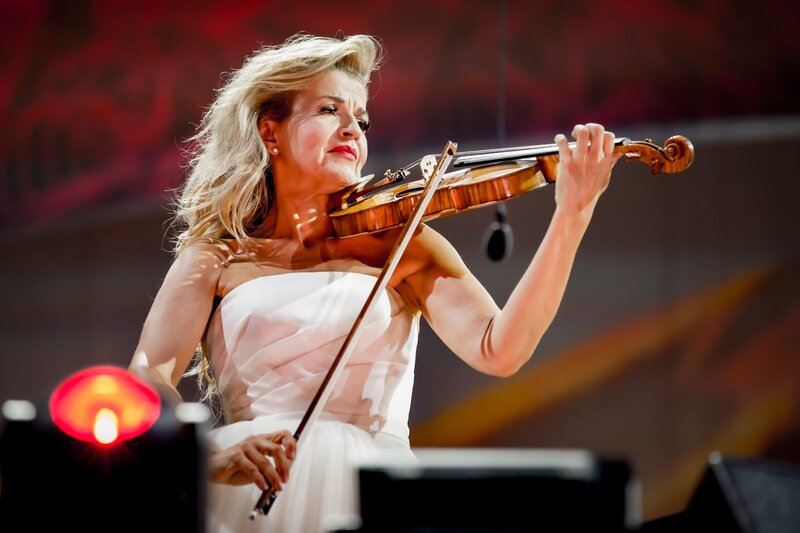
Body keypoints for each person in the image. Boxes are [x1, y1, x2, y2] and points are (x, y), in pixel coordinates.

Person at [129, 33, 620, 532]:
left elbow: (501, 349)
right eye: (329, 110)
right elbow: (148, 376)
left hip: (370, 487)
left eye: (361, 119)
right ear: (270, 133)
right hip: (248, 485)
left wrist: (572, 214)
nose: (353, 129)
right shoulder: (216, 255)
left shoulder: (401, 245)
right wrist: (209, 458)